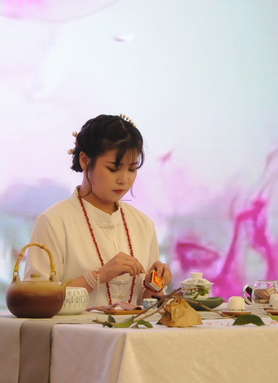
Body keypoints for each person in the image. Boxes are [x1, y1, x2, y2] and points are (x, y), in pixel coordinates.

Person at [24, 114, 172, 306]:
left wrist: (154, 286)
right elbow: (33, 301)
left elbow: (147, 306)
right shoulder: (54, 221)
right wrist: (99, 276)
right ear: (85, 160)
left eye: (132, 169)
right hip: (70, 327)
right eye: (113, 169)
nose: (124, 180)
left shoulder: (143, 225)